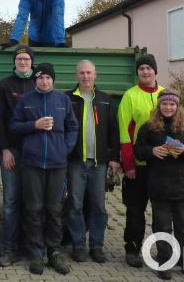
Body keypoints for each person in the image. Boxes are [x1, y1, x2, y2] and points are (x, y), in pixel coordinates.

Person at [12, 62, 78, 275]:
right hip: (32, 163)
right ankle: (37, 252)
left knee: (55, 209)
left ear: (53, 80)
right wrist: (34, 125)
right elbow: (14, 126)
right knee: (33, 209)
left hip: (57, 164)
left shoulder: (63, 100)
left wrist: (65, 148)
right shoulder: (25, 100)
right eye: (41, 77)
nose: (45, 81)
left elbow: (73, 127)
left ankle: (55, 252)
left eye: (48, 78)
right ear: (36, 80)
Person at [134, 90, 184, 281]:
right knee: (162, 225)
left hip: (182, 184)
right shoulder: (149, 127)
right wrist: (152, 150)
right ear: (159, 106)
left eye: (172, 104)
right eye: (164, 104)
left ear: (178, 106)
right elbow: (138, 151)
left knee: (182, 226)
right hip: (159, 184)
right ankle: (164, 260)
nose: (168, 107)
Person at [65, 60, 119, 264]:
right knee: (75, 206)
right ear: (76, 75)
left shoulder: (105, 100)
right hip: (75, 163)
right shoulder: (67, 99)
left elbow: (114, 131)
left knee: (99, 207)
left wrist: (115, 158)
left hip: (99, 164)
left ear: (95, 75)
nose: (85, 76)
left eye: (89, 72)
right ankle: (79, 245)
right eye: (81, 73)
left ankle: (96, 246)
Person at [0, 44, 37, 267]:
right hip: (12, 151)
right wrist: (5, 149)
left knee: (32, 201)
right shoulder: (4, 85)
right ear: (14, 62)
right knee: (10, 201)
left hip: (35, 153)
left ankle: (30, 245)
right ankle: (10, 248)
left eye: (26, 59)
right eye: (19, 59)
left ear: (31, 62)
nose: (22, 62)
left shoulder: (40, 84)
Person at [118, 53, 164, 267]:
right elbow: (124, 132)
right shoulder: (130, 95)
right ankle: (132, 248)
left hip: (162, 167)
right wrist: (128, 165)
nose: (146, 72)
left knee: (161, 212)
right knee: (135, 210)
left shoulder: (167, 95)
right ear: (137, 72)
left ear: (156, 70)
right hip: (138, 165)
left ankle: (163, 250)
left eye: (149, 68)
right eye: (142, 68)